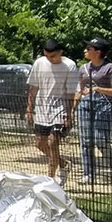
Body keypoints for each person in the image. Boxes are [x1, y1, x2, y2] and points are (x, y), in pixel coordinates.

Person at [26, 39, 77, 186]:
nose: (50, 59)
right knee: (40, 143)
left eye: (53, 56)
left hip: (59, 108)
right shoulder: (39, 63)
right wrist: (29, 109)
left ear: (60, 52)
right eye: (47, 55)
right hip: (41, 108)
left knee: (53, 141)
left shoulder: (70, 66)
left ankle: (50, 179)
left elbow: (70, 93)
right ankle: (63, 163)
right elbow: (33, 87)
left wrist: (69, 113)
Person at [74, 37, 112, 184]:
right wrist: (73, 107)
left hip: (104, 105)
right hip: (86, 105)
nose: (85, 51)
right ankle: (88, 174)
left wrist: (98, 89)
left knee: (100, 139)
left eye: (89, 49)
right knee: (86, 140)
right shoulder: (83, 68)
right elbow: (80, 90)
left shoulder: (110, 68)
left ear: (98, 52)